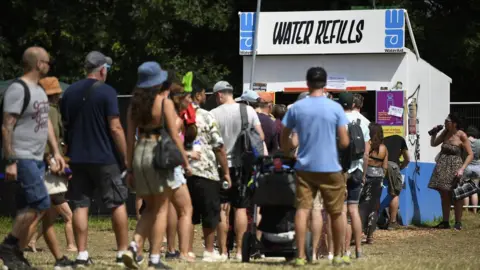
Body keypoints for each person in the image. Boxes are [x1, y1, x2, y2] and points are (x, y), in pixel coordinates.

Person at [0, 47, 69, 269]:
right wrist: (10, 161)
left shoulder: (39, 90)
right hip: (22, 156)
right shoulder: (18, 90)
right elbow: (7, 126)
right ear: (38, 63)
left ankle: (16, 253)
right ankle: (9, 246)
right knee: (41, 201)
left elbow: (46, 122)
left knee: (25, 207)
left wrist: (56, 153)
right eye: (47, 62)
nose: (49, 65)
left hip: (38, 158)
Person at [61, 51, 129, 266]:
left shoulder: (69, 92)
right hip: (104, 157)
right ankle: (122, 252)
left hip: (77, 158)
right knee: (117, 203)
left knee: (80, 205)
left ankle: (81, 254)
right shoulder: (107, 92)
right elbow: (115, 127)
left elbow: (65, 126)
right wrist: (126, 157)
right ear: (102, 70)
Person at [123, 62, 192, 269]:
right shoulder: (164, 102)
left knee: (150, 207)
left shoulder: (133, 105)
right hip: (157, 153)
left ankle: (134, 245)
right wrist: (186, 161)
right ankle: (154, 259)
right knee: (161, 207)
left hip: (139, 153)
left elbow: (129, 138)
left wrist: (129, 167)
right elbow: (174, 135)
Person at [281, 67, 350, 267]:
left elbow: (285, 134)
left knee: (303, 210)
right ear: (325, 84)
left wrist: (286, 150)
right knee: (336, 212)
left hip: (305, 167)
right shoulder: (335, 108)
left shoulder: (296, 108)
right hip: (330, 167)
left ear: (307, 84)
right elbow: (345, 141)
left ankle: (301, 256)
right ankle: (338, 254)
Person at [174, 72, 231, 262]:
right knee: (210, 213)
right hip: (206, 171)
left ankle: (187, 250)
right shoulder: (206, 116)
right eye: (204, 93)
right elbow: (219, 146)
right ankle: (208, 250)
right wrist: (226, 172)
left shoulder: (177, 115)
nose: (205, 96)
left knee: (187, 213)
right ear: (198, 94)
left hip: (182, 171)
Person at [210, 82, 264, 261]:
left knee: (222, 209)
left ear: (219, 95)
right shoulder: (248, 111)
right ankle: (241, 251)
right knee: (241, 208)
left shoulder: (213, 114)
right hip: (243, 167)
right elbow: (260, 137)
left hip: (220, 167)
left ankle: (224, 251)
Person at [27, 77, 77, 254]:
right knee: (64, 214)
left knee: (48, 214)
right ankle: (71, 246)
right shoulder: (50, 111)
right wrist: (54, 161)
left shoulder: (41, 110)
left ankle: (27, 241)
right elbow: (50, 140)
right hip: (51, 166)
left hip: (47, 164)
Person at [338, 92, 370, 259]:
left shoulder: (336, 120)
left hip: (341, 170)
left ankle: (344, 251)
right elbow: (366, 153)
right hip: (357, 170)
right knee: (354, 210)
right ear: (353, 104)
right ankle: (358, 251)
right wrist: (363, 174)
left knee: (342, 211)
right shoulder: (364, 122)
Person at [428, 113, 473, 230]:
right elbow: (433, 144)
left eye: (447, 122)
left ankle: (458, 222)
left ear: (454, 123)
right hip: (442, 167)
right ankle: (445, 221)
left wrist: (462, 169)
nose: (445, 123)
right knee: (444, 194)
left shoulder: (461, 135)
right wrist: (433, 134)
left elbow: (470, 154)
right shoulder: (445, 133)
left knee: (457, 195)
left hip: (455, 167)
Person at [359, 123, 388, 244]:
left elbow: (364, 158)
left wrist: (363, 175)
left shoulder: (367, 145)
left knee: (362, 205)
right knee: (374, 206)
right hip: (378, 178)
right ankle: (370, 236)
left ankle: (359, 233)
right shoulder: (384, 148)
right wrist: (381, 178)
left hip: (367, 176)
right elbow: (385, 167)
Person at [383, 134, 410, 228]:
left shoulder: (383, 140)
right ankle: (393, 222)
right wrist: (400, 167)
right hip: (393, 165)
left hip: (380, 166)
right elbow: (407, 159)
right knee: (395, 194)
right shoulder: (401, 140)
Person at [462, 126, 480, 214]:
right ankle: (475, 211)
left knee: (466, 189)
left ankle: (465, 210)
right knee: (474, 190)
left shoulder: (464, 141)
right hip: (477, 167)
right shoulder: (479, 142)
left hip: (466, 166)